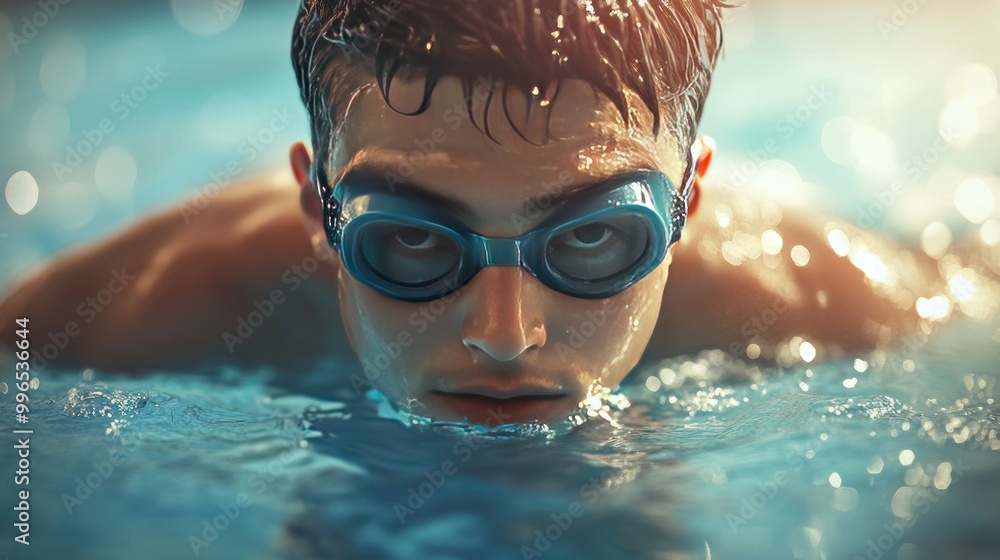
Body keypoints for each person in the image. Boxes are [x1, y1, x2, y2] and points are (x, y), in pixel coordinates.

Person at [0, 0, 946, 424]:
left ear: (688, 203)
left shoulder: (824, 303)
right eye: (409, 238)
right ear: (313, 210)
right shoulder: (139, 309)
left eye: (594, 239)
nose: (505, 335)